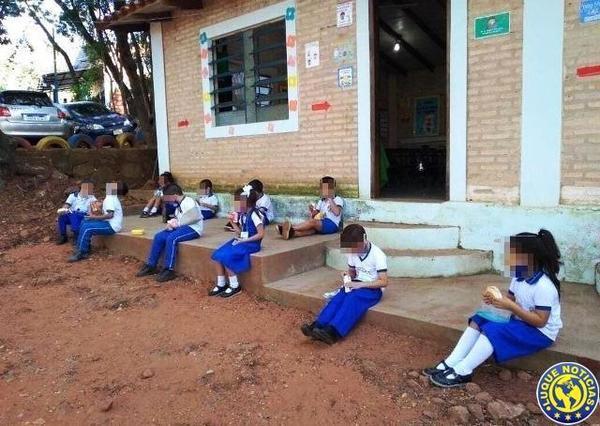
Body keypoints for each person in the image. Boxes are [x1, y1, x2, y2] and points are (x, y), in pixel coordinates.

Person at [425, 230, 563, 388]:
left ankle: (464, 371)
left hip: (541, 333)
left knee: (494, 330)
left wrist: (510, 306)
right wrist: (495, 301)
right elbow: (510, 300)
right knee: (480, 318)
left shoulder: (544, 287)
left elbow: (540, 321)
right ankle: (452, 361)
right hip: (522, 320)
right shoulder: (518, 277)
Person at [300, 224, 388, 344]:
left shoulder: (378, 255)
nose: (353, 251)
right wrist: (347, 275)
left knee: (352, 298)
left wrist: (360, 285)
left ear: (364, 239)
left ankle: (334, 332)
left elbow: (384, 282)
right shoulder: (352, 251)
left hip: (372, 289)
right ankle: (318, 325)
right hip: (356, 284)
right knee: (339, 297)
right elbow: (352, 272)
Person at [136, 184, 203, 282]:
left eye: (167, 197)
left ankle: (169, 269)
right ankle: (151, 265)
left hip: (193, 228)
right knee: (159, 236)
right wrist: (172, 223)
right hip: (182, 227)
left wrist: (177, 224)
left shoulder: (188, 201)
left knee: (172, 238)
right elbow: (178, 217)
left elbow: (195, 217)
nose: (165, 200)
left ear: (174, 195)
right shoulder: (178, 203)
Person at [209, 187, 265, 298]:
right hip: (242, 240)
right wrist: (232, 223)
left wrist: (245, 240)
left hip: (251, 244)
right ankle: (221, 283)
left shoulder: (255, 214)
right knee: (217, 254)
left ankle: (235, 285)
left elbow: (261, 234)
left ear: (246, 202)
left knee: (226, 256)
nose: (235, 204)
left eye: (237, 201)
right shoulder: (242, 214)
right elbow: (241, 232)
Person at [68, 181, 128, 262]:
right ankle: (82, 247)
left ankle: (82, 252)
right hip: (108, 222)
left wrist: (94, 217)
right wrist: (97, 210)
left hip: (112, 226)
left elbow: (110, 215)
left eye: (112, 185)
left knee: (87, 228)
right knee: (84, 222)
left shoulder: (110, 198)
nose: (109, 185)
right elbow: (106, 213)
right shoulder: (110, 197)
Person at [278, 176, 343, 239]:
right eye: (322, 188)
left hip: (332, 225)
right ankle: (291, 233)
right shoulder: (321, 201)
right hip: (321, 223)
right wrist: (312, 210)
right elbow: (314, 215)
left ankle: (290, 228)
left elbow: (337, 212)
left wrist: (329, 197)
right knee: (310, 230)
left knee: (312, 222)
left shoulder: (337, 199)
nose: (322, 190)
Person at [56, 180, 97, 245]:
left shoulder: (91, 197)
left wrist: (94, 210)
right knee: (62, 217)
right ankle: (63, 236)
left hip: (83, 215)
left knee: (74, 215)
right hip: (72, 214)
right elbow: (67, 205)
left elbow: (95, 209)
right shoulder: (73, 196)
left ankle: (77, 236)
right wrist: (63, 209)